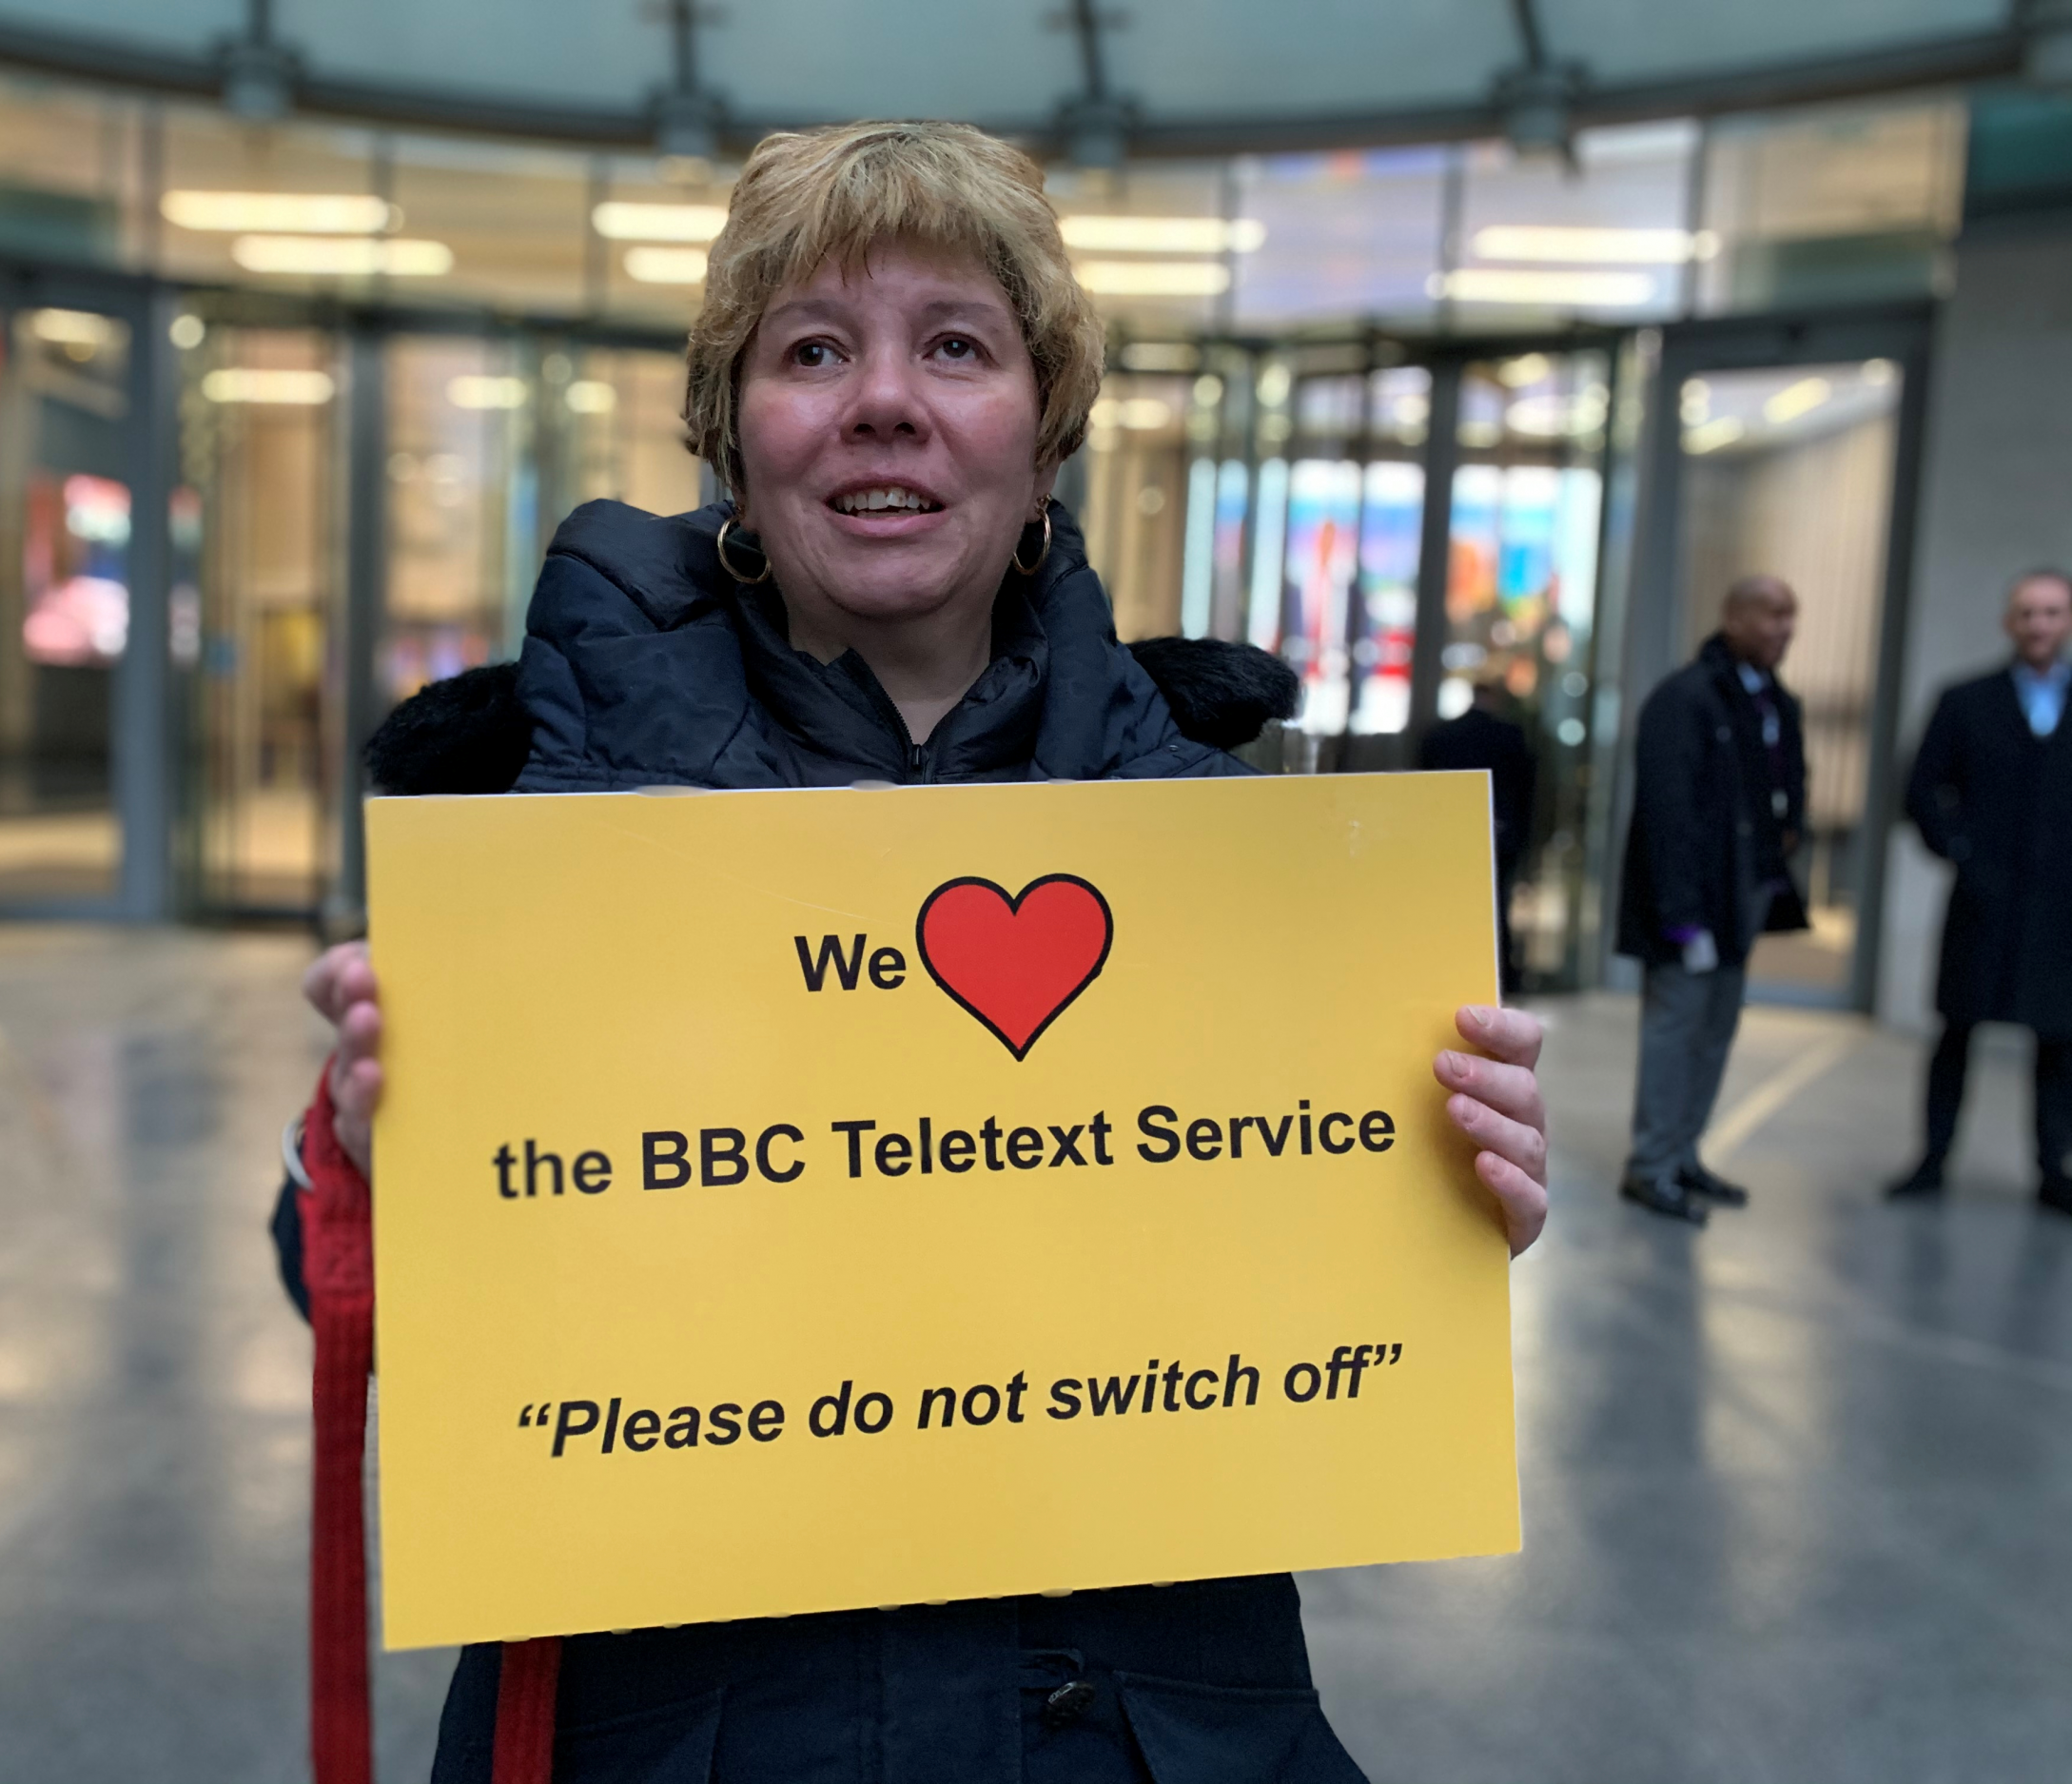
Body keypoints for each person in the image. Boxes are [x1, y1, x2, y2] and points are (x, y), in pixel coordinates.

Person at [289, 121, 1552, 1784]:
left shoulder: (1234, 850)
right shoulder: (541, 819)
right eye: (813, 349)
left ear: (1045, 434)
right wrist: (384, 1164)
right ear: (737, 433)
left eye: (956, 344)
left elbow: (1304, 1291)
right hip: (686, 1727)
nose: (884, 398)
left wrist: (1447, 1191)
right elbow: (338, 1290)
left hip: (1137, 1724)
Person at [1614, 577, 1808, 1224]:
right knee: (1675, 1029)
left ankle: (1684, 1153)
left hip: (1742, 896)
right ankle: (1650, 1167)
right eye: (1772, 613)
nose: (1784, 627)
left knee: (1716, 1028)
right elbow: (1667, 816)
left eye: (1791, 616)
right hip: (1690, 906)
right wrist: (1680, 916)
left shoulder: (1776, 700)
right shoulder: (1686, 698)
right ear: (1732, 617)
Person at [1888, 569, 2072, 1215]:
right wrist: (1963, 851)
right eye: (2027, 611)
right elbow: (1920, 788)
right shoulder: (1966, 699)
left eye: (2051, 612)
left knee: (2059, 1042)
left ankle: (2055, 1168)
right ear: (2008, 620)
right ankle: (1933, 1159)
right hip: (1983, 902)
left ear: (2067, 621)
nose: (2039, 624)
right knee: (1956, 1032)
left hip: (2060, 911)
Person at [1417, 676, 1536, 993]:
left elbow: (1425, 787)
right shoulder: (1510, 735)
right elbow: (1525, 791)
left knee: (1448, 901)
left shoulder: (1441, 734)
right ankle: (1499, 975)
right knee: (1496, 904)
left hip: (1447, 835)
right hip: (1499, 834)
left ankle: (1448, 967)